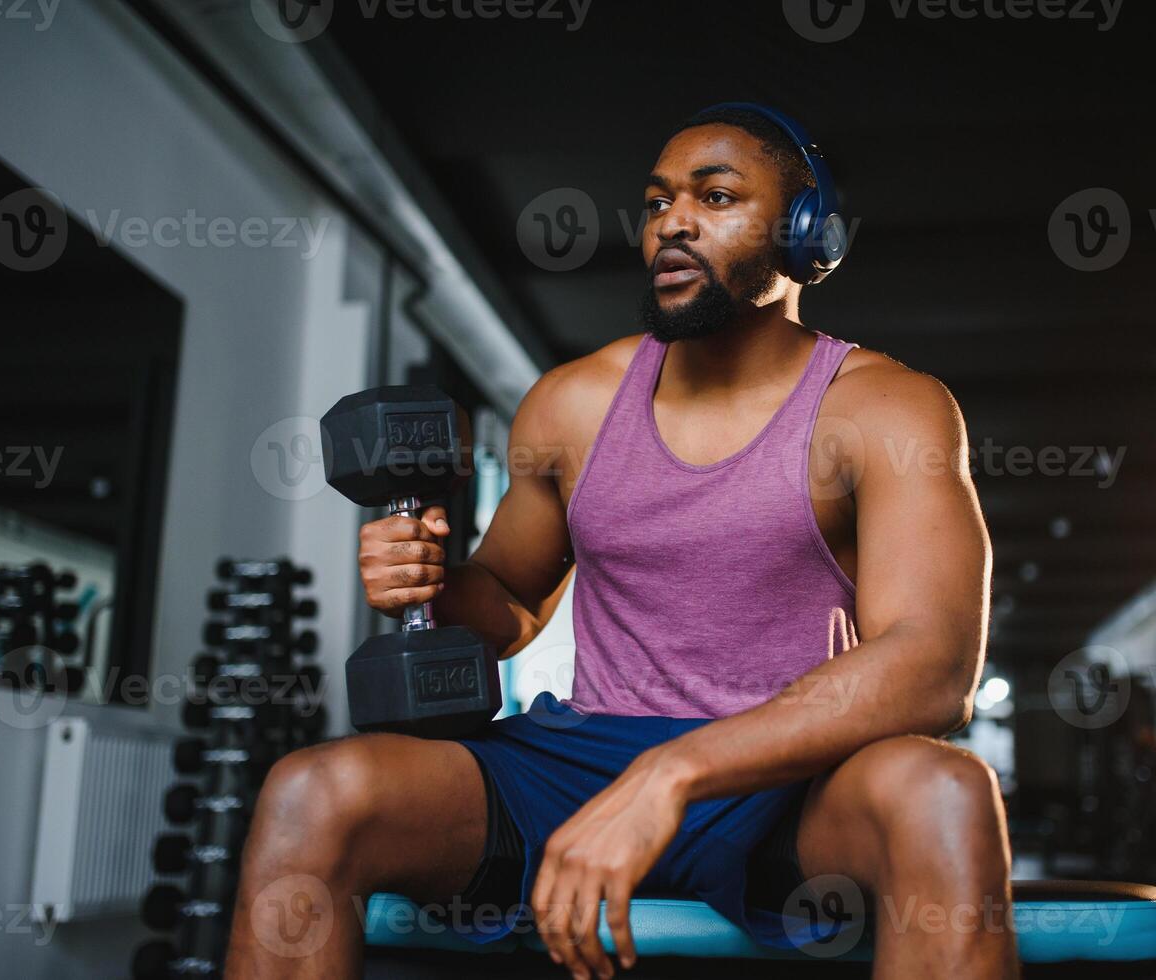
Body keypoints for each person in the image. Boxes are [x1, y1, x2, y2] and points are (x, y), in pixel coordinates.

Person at [226, 103, 1016, 980]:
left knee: (945, 792)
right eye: (656, 202)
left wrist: (671, 775)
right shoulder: (573, 402)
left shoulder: (885, 406)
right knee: (314, 792)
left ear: (804, 235)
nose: (672, 221)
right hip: (579, 760)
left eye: (715, 197)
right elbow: (512, 600)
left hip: (787, 772)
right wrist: (432, 582)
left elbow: (936, 663)